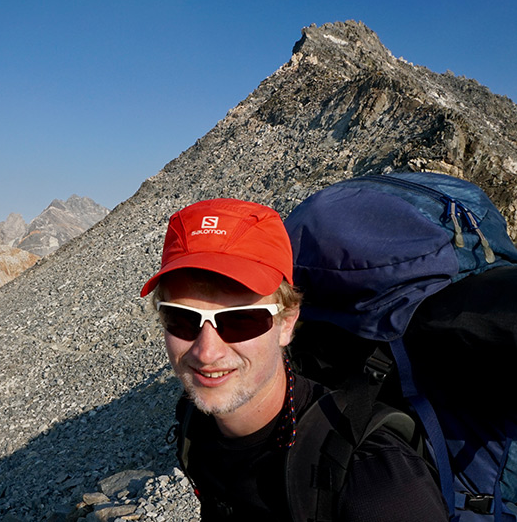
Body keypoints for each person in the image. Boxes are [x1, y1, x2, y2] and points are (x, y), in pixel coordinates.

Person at [140, 198, 449, 521]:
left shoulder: (374, 479)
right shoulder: (197, 422)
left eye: (241, 320)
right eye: (182, 319)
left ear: (286, 323)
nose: (206, 352)